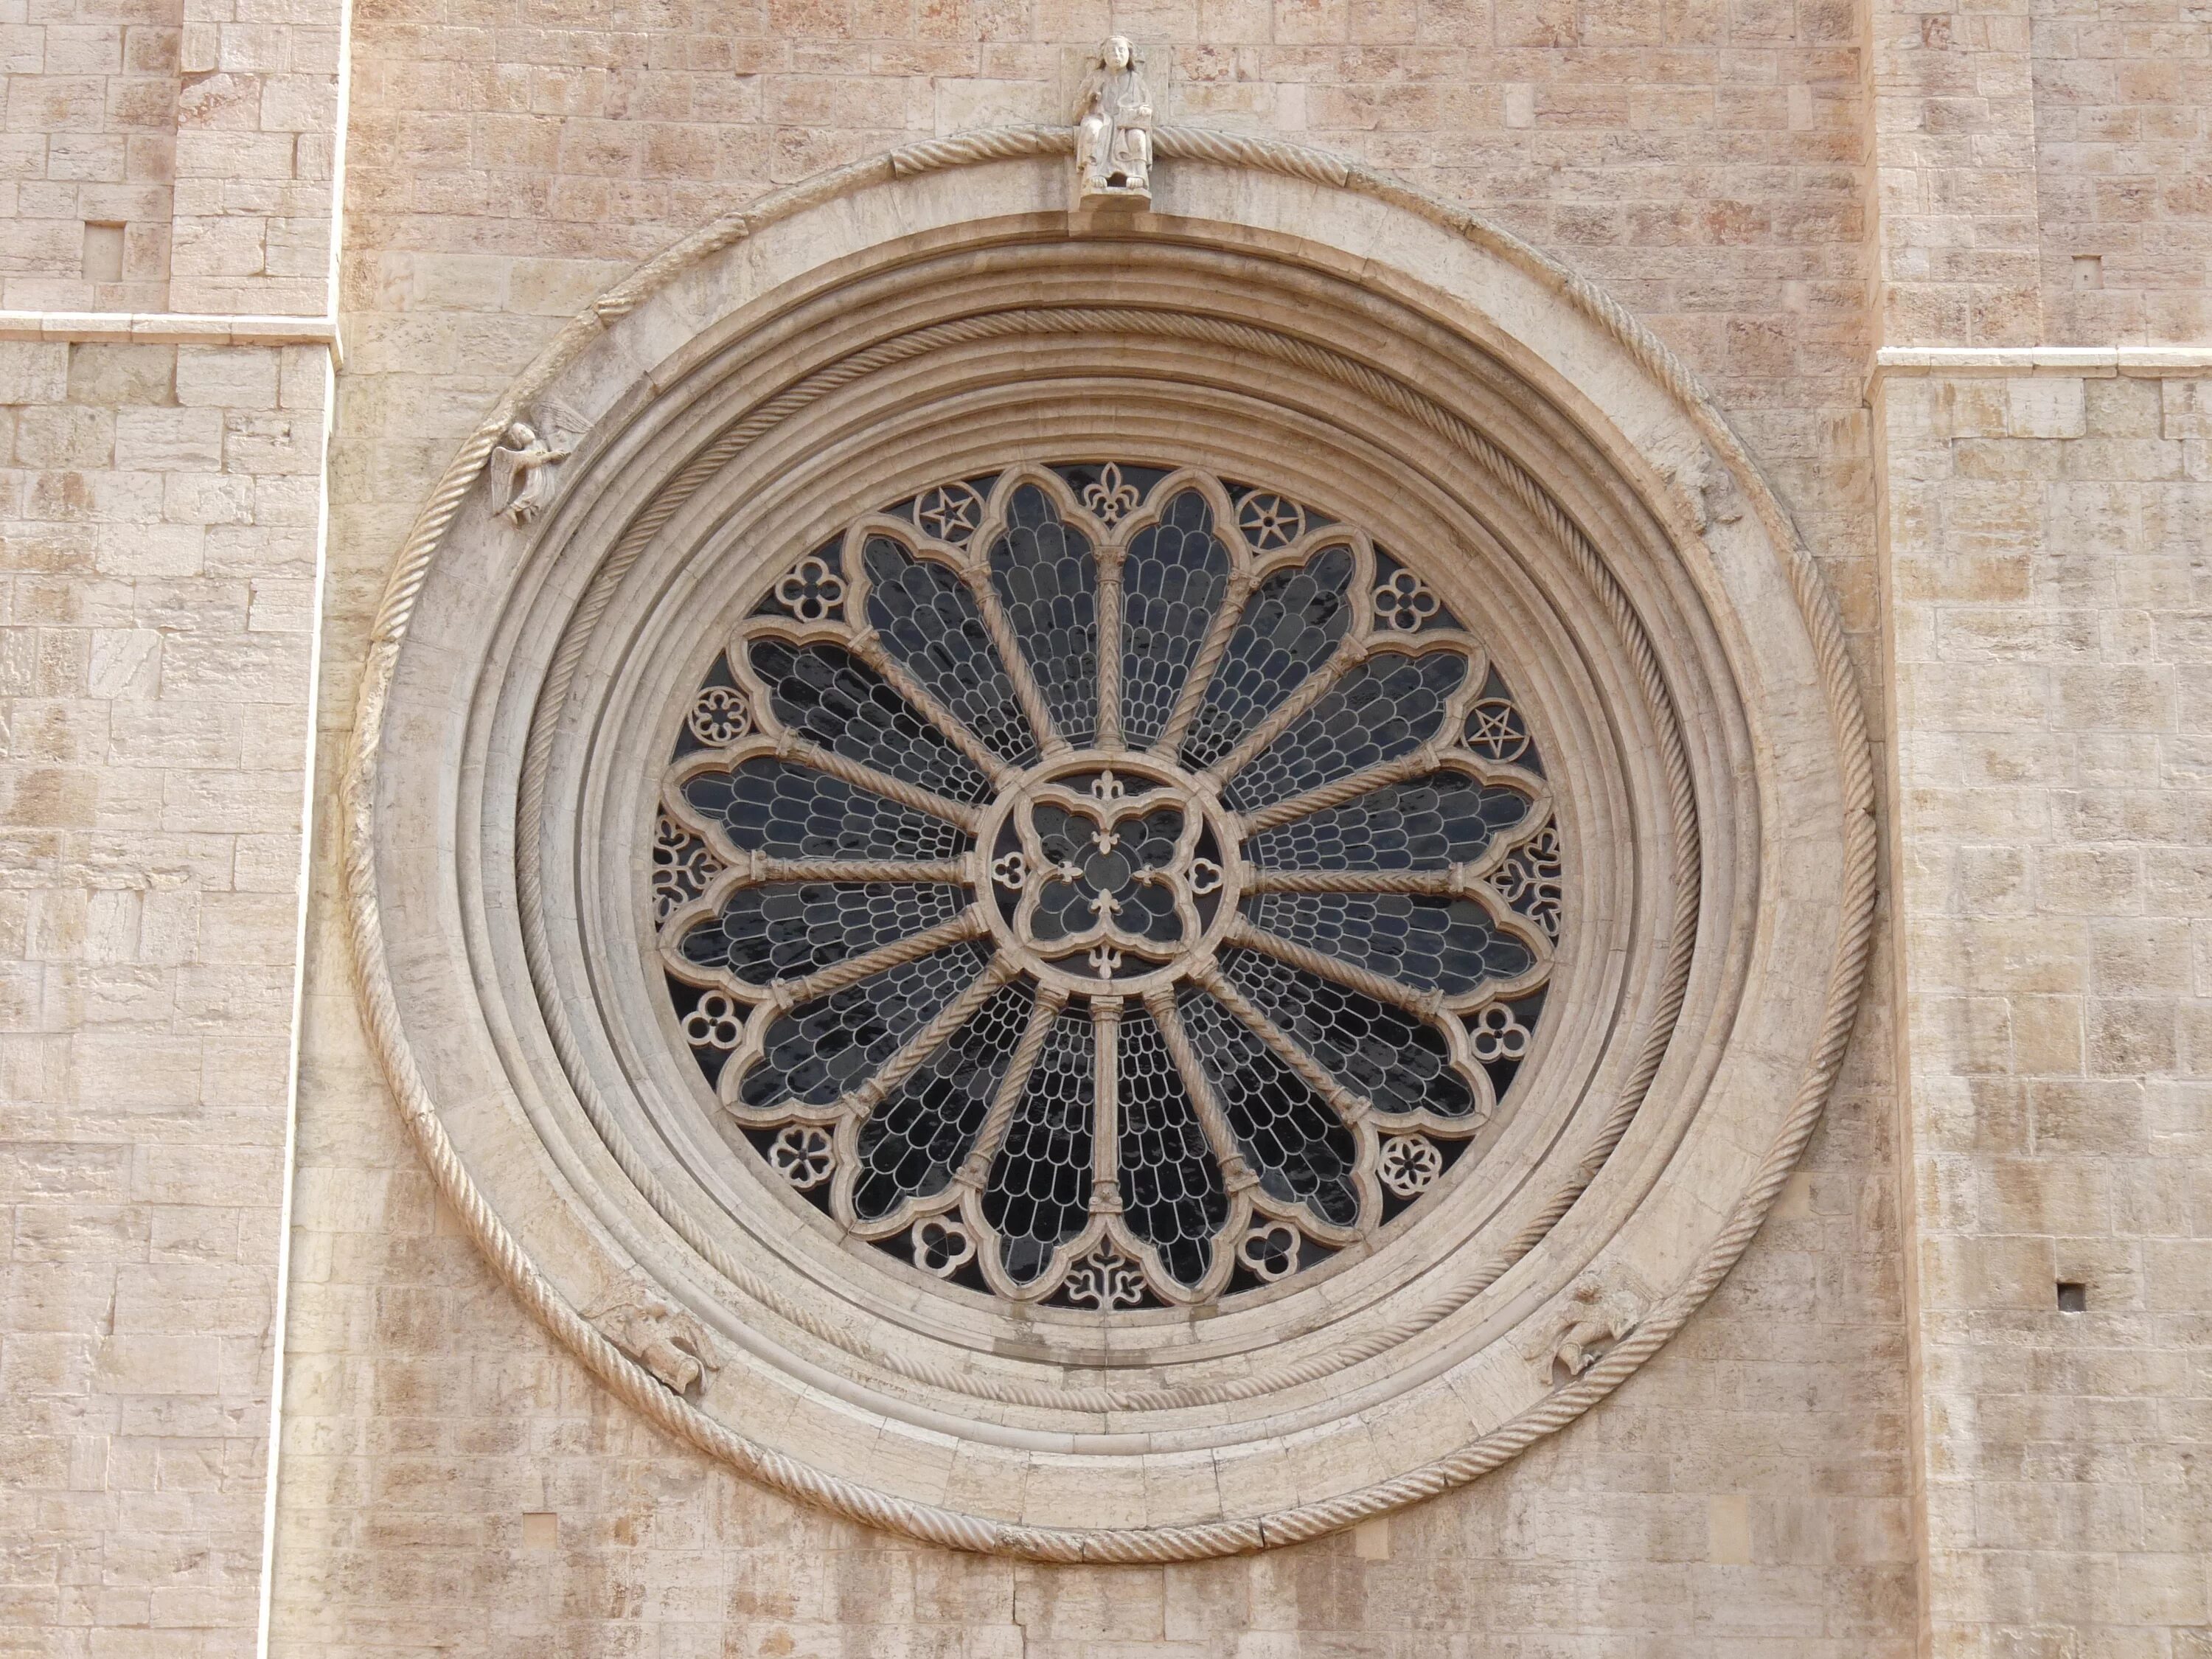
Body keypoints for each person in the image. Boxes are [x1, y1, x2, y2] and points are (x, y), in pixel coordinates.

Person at [1076, 35, 1154, 196]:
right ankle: (1093, 173)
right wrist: (1089, 98)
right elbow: (1076, 112)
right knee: (1093, 130)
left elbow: (1148, 107)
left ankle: (1137, 174)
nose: (1116, 54)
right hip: (1100, 118)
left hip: (1127, 124)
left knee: (1137, 136)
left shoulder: (1136, 80)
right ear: (1103, 56)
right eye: (1111, 50)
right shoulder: (1095, 78)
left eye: (1121, 50)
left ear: (1129, 55)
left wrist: (1144, 111)